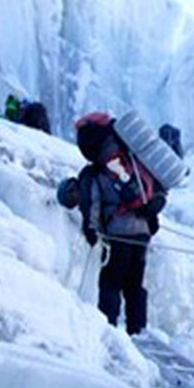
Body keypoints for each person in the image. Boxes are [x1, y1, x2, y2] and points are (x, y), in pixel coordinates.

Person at [72, 114, 165, 335]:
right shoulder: (133, 162)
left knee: (111, 283)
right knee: (134, 286)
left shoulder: (95, 173)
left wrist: (91, 230)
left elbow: (92, 204)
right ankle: (138, 330)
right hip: (142, 236)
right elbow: (154, 193)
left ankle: (109, 329)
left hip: (117, 235)